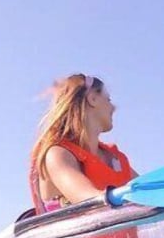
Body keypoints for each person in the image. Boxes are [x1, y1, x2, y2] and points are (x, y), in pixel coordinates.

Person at [29, 73, 139, 214]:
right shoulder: (58, 154)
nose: (113, 107)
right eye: (108, 99)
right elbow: (88, 201)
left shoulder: (114, 160)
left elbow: (151, 192)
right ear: (92, 98)